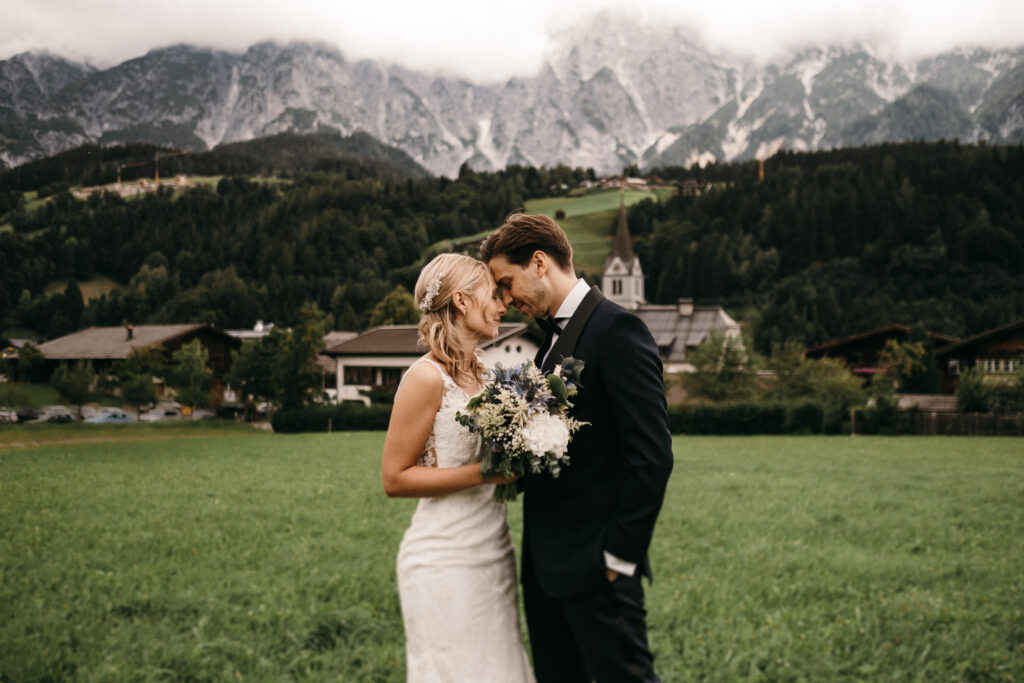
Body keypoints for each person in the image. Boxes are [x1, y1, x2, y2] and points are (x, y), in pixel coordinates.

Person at [482, 213, 674, 683]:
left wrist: (617, 560)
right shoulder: (548, 343)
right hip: (546, 566)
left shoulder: (618, 330)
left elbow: (651, 456)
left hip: (596, 567)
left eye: (507, 283)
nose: (507, 300)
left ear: (540, 262)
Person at [381, 252, 535, 683]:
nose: (504, 305)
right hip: (444, 560)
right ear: (463, 301)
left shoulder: (488, 377)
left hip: (495, 551)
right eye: (493, 295)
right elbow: (394, 478)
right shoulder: (426, 378)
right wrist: (487, 473)